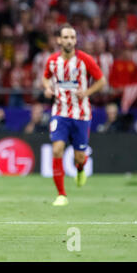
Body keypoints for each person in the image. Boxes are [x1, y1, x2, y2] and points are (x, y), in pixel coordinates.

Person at [42, 23, 107, 206]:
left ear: (75, 40)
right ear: (59, 40)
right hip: (60, 113)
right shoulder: (53, 61)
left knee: (79, 156)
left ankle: (80, 169)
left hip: (81, 115)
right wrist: (47, 88)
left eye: (72, 37)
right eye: (66, 37)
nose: (69, 41)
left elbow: (102, 81)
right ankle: (61, 195)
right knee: (57, 150)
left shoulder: (85, 60)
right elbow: (45, 77)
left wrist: (86, 93)